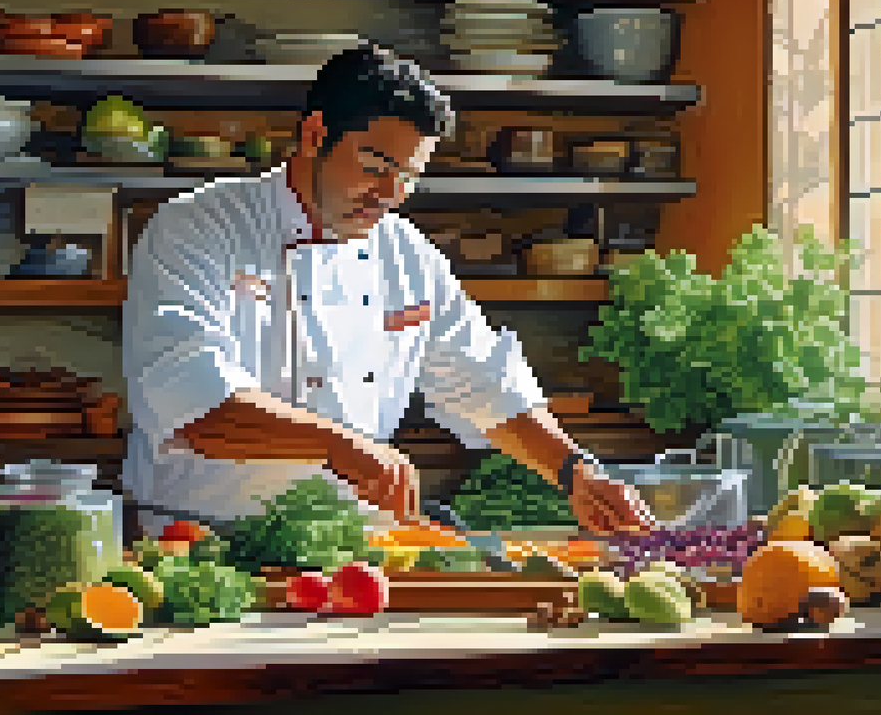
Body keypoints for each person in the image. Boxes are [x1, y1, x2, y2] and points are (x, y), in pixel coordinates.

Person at [123, 41, 656, 536]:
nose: (390, 196)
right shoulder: (197, 228)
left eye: (408, 177)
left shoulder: (406, 254)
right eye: (376, 167)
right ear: (314, 135)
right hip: (204, 542)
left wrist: (575, 472)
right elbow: (194, 406)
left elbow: (486, 384)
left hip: (348, 547)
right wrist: (340, 446)